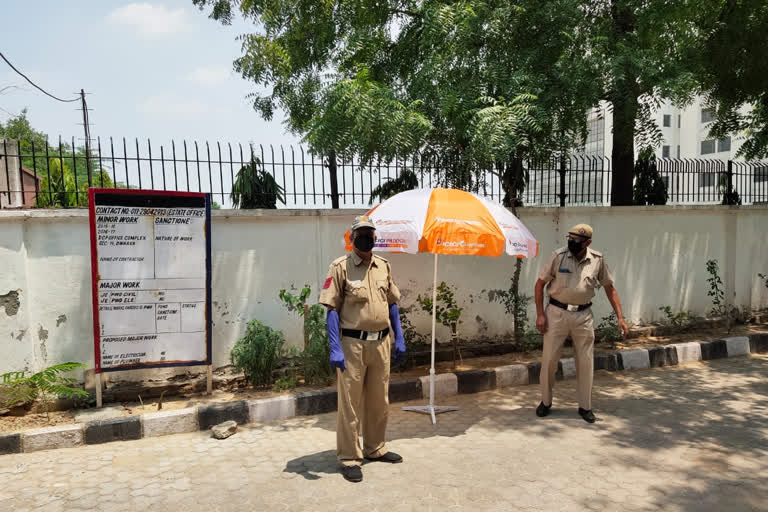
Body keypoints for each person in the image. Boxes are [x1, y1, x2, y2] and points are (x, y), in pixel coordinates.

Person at [319, 215, 406, 483]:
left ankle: (375, 448)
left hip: (380, 343)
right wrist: (335, 347)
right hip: (352, 345)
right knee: (351, 404)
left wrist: (398, 337)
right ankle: (349, 457)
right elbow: (331, 309)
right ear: (352, 237)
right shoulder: (340, 267)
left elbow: (392, 303)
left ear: (375, 237)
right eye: (361, 233)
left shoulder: (384, 266)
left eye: (370, 233)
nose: (366, 237)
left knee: (379, 401)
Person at [533, 223, 628, 423]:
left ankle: (585, 406)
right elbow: (540, 284)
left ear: (588, 242)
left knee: (585, 363)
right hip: (556, 314)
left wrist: (620, 317)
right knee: (549, 360)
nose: (572, 242)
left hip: (583, 317)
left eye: (577, 240)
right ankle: (546, 402)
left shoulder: (597, 260)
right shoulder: (558, 256)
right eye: (570, 238)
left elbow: (610, 289)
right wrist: (540, 314)